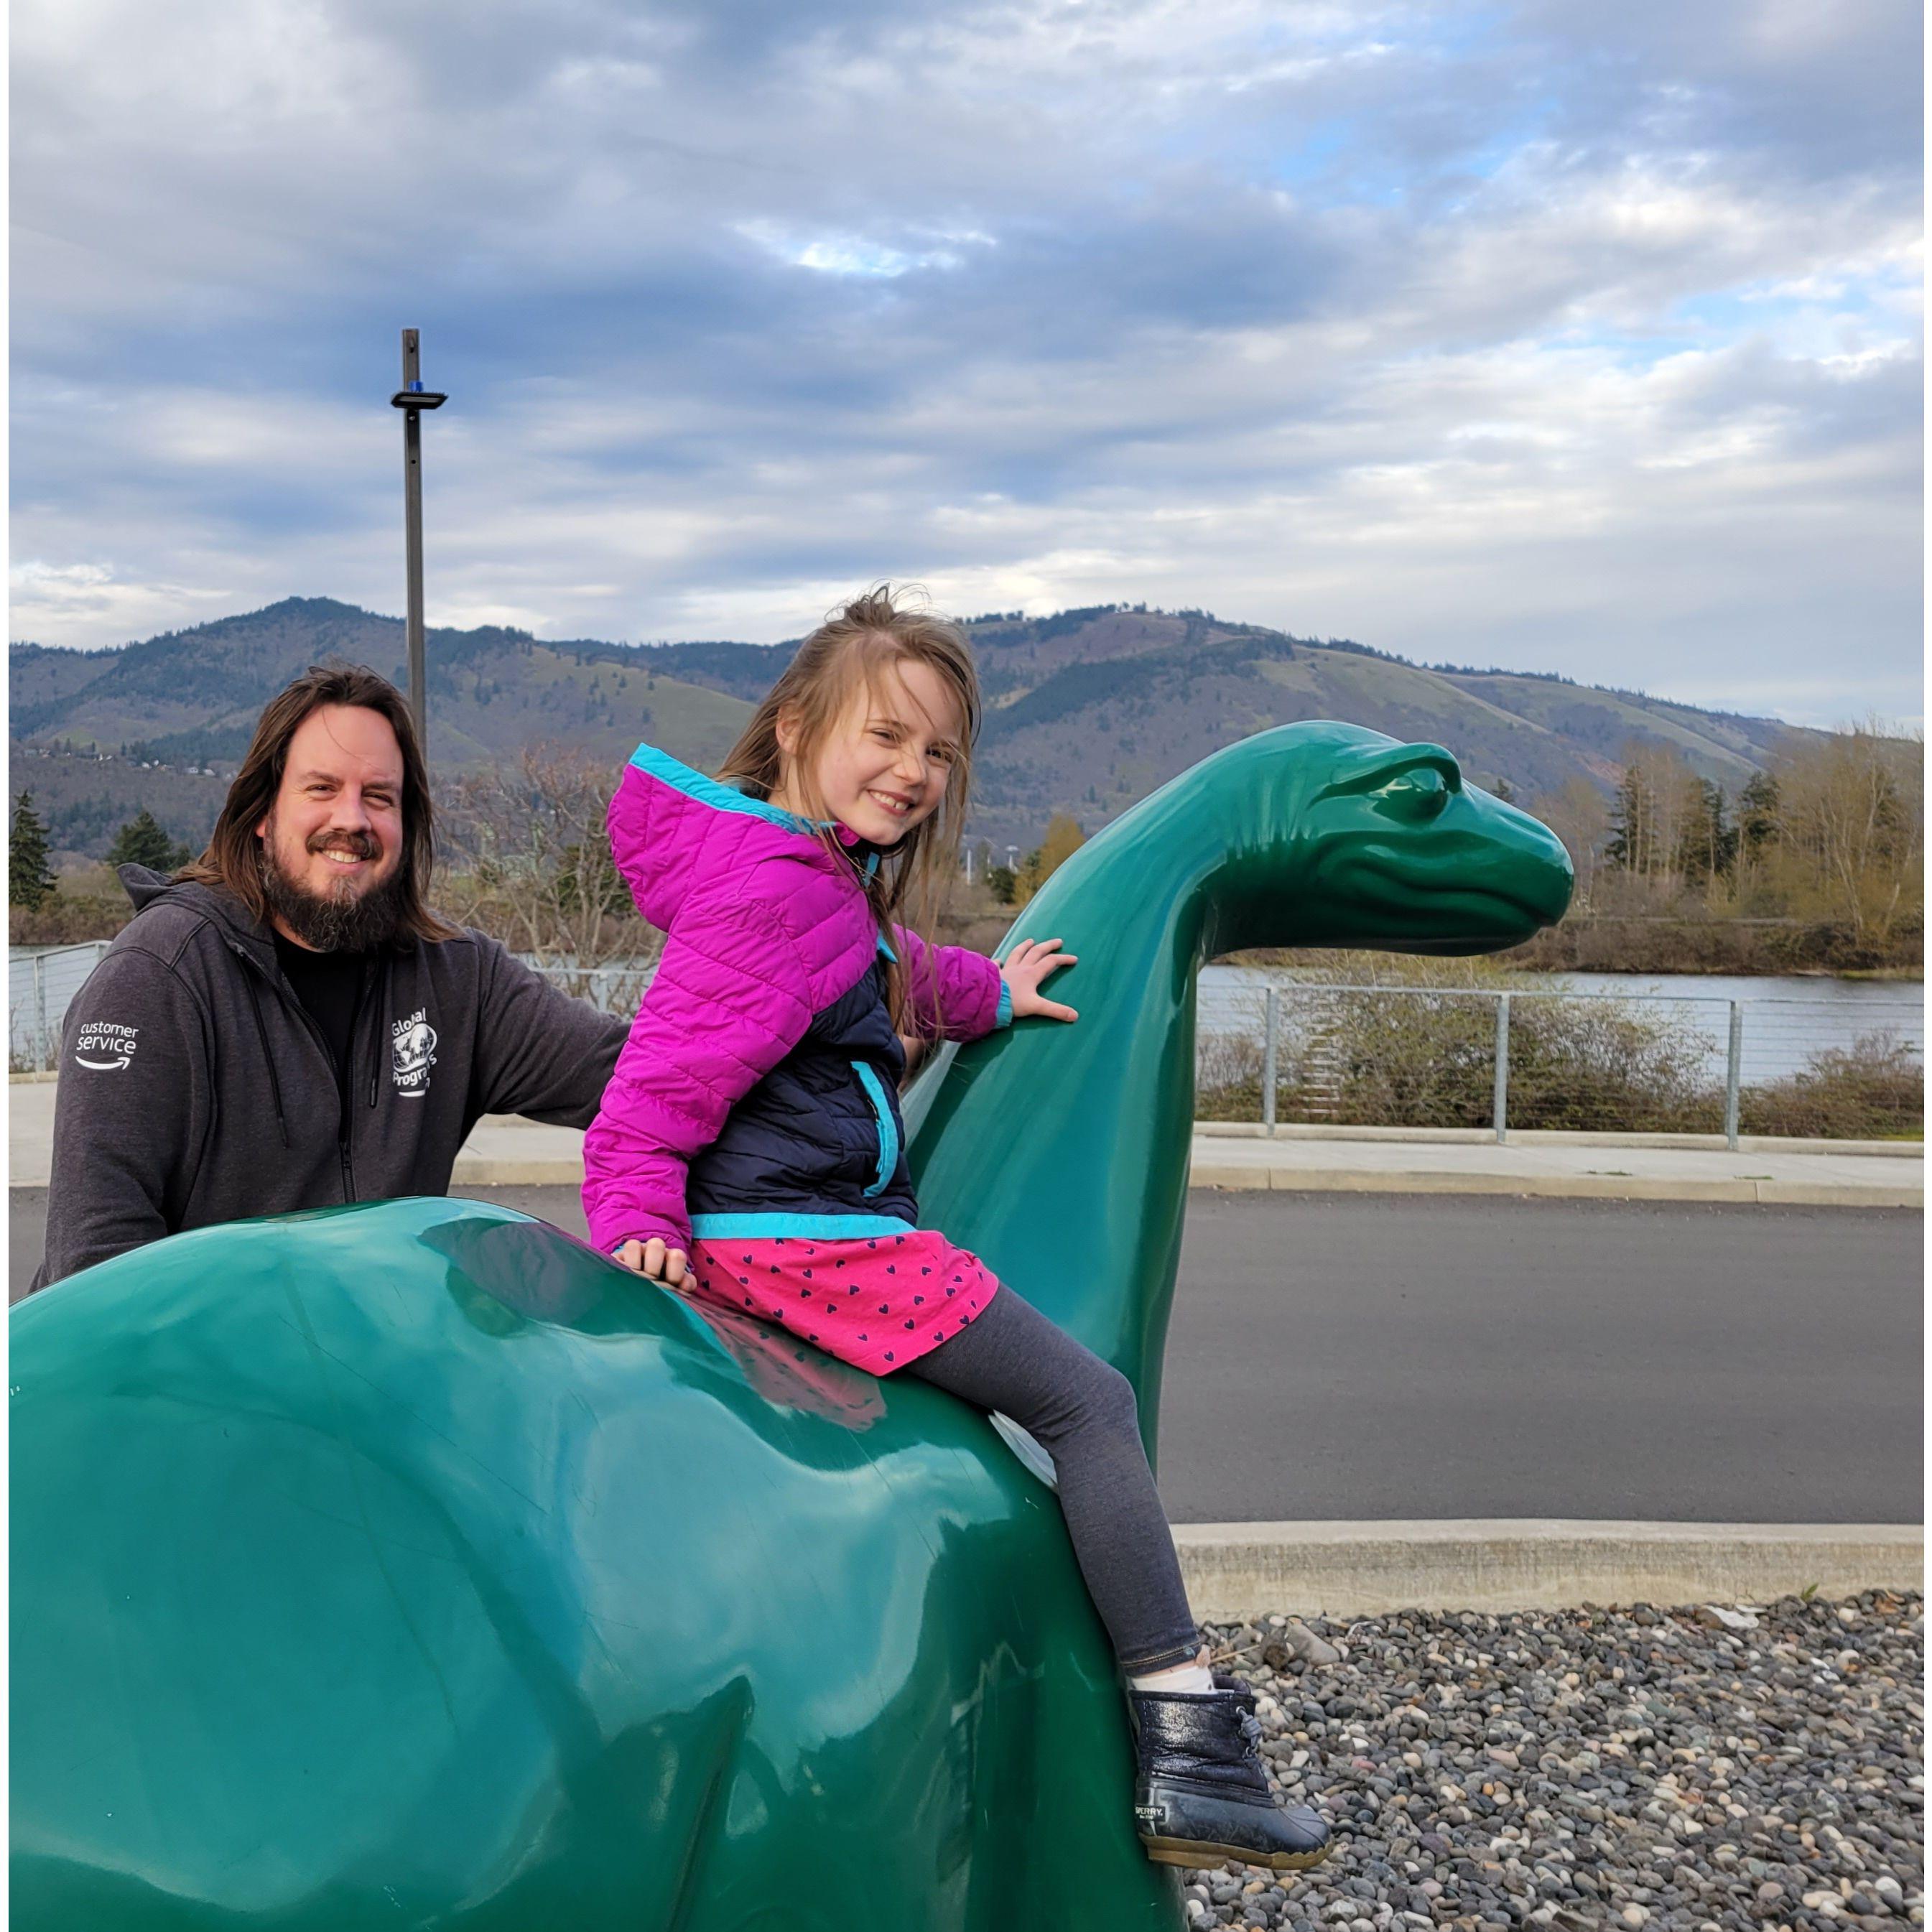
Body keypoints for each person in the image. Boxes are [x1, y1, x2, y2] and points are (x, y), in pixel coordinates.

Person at [582, 587, 1331, 1875]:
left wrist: (991, 988)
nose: (914, 771)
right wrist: (636, 1205)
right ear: (798, 725)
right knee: (1087, 1404)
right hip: (804, 1240)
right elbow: (660, 1076)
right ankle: (1191, 1742)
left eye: (936, 751)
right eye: (885, 736)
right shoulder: (776, 885)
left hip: (804, 1219)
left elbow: (879, 971)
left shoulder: (810, 872)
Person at [32, 664, 631, 1292]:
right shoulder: (158, 978)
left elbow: (649, 1084)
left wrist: (655, 1216)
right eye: (321, 788)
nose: (353, 820)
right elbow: (94, 1275)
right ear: (262, 812)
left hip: (369, 1349)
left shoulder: (457, 979)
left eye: (379, 797)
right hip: (184, 1354)